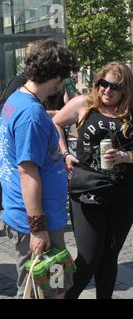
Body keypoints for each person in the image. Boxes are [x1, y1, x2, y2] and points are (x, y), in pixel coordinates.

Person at [0, 39, 78, 299]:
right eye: (66, 77)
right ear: (56, 77)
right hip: (37, 221)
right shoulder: (30, 114)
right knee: (44, 291)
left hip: (37, 216)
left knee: (53, 289)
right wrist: (38, 228)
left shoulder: (18, 99)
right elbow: (27, 173)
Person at [53, 62, 133, 299]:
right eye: (103, 84)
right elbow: (56, 122)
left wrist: (125, 156)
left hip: (123, 194)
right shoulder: (84, 104)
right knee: (88, 258)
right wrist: (65, 154)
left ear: (125, 88)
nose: (107, 90)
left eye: (114, 87)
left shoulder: (130, 111)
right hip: (88, 192)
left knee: (110, 258)